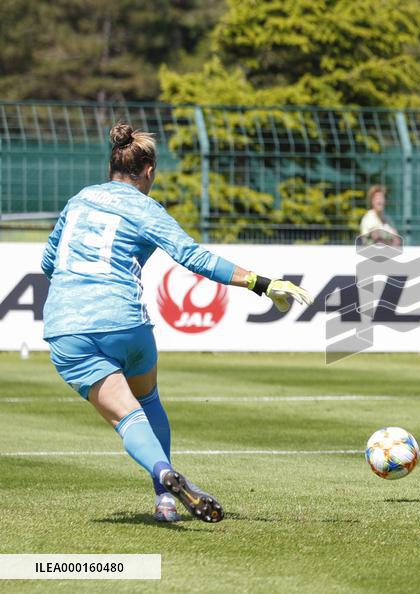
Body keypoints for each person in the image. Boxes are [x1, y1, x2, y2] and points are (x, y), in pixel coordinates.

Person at [40, 123, 313, 523]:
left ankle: (164, 473)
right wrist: (262, 283)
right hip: (124, 322)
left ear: (111, 165)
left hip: (66, 327)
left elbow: (48, 262)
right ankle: (164, 499)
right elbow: (194, 258)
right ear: (149, 171)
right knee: (147, 400)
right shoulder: (146, 208)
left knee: (126, 418)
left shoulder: (78, 201)